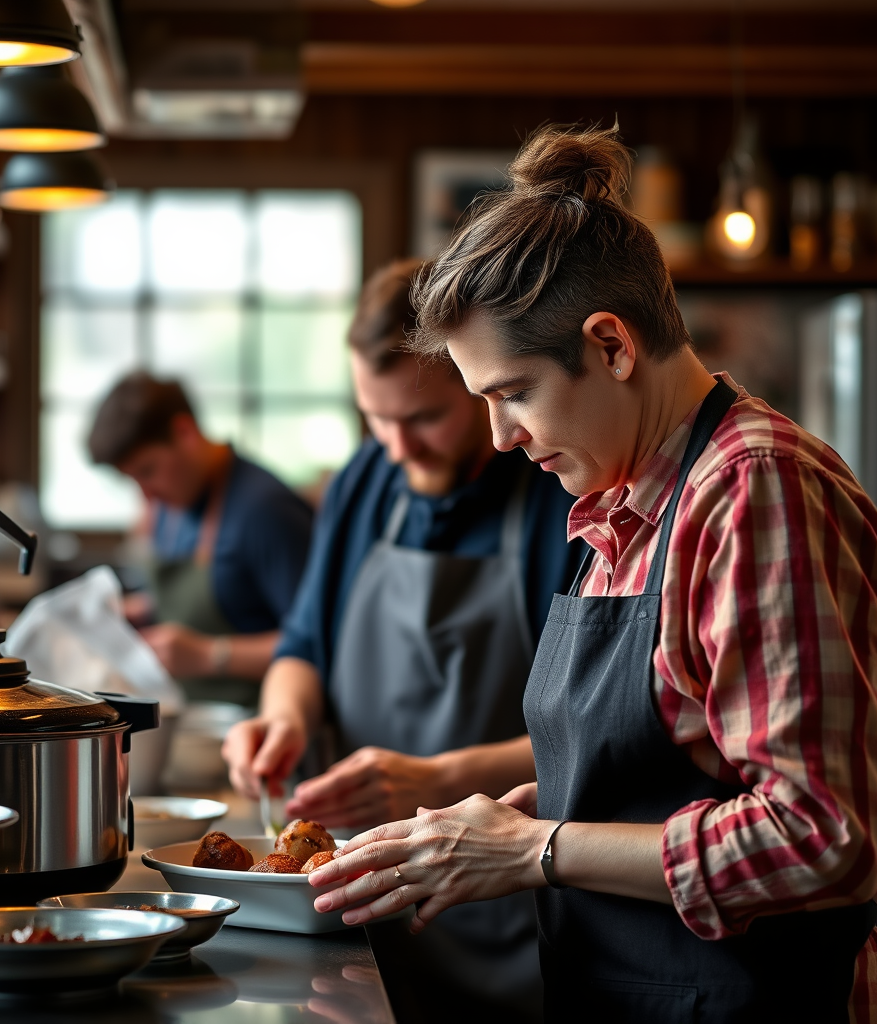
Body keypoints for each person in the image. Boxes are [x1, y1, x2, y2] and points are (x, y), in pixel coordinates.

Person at [308, 126, 877, 1024]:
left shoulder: (756, 491)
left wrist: (538, 848)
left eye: (512, 393)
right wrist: (510, 816)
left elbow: (825, 838)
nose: (502, 436)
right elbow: (688, 762)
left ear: (612, 346)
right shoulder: (622, 502)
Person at [223, 258, 584, 1022]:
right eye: (373, 418)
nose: (395, 446)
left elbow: (589, 734)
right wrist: (284, 717)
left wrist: (439, 778)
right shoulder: (365, 481)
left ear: (480, 387)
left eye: (421, 420)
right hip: (352, 894)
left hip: (505, 902)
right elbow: (303, 646)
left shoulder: (556, 491)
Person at [88, 372, 313, 706]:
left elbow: (317, 644)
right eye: (132, 480)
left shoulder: (266, 512)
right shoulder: (171, 503)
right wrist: (140, 612)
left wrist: (209, 655)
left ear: (184, 432)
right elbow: (228, 596)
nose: (146, 496)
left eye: (148, 470)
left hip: (258, 729)